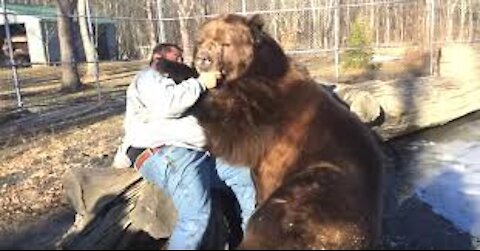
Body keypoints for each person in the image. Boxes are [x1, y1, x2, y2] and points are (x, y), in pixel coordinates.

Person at [113, 43, 256, 250]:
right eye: (176, 58)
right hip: (167, 152)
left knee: (243, 176)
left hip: (199, 154)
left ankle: (250, 242)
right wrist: (201, 83)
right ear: (157, 59)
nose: (182, 62)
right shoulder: (149, 77)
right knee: (196, 216)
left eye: (182, 58)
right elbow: (167, 105)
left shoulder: (181, 84)